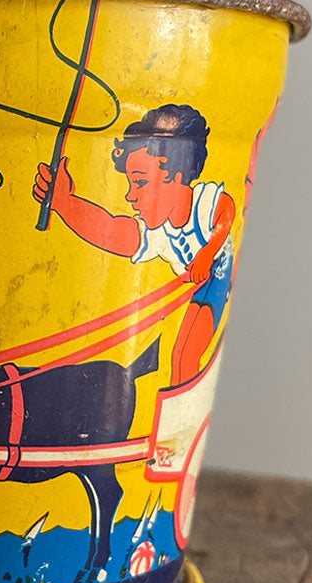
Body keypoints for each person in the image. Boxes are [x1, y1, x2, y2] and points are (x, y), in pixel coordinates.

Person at [33, 104, 235, 386]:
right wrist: (66, 204)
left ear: (177, 175)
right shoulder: (159, 232)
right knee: (179, 355)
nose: (130, 196)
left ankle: (174, 421)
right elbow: (115, 231)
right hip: (197, 282)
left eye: (140, 183)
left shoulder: (201, 203)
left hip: (217, 274)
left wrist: (206, 255)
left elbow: (226, 212)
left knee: (184, 354)